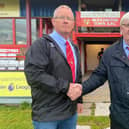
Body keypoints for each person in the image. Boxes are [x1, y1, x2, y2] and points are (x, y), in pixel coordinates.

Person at [24, 5, 82, 129]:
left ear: (73, 23)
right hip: (47, 114)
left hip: (70, 113)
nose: (66, 21)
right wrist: (65, 87)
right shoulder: (41, 45)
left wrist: (79, 100)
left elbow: (77, 76)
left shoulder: (74, 48)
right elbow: (34, 75)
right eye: (61, 17)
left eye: (69, 18)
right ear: (53, 21)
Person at [69, 12, 129, 129]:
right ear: (121, 29)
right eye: (127, 25)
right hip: (120, 117)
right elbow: (98, 77)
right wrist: (80, 89)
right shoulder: (110, 53)